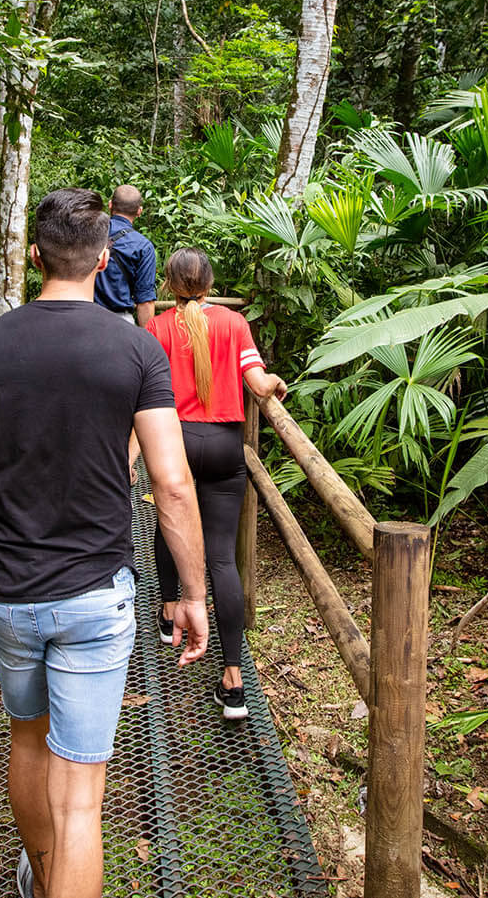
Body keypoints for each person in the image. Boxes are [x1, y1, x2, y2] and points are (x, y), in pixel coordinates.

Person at [0, 187, 210, 898]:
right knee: (82, 794)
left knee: (27, 738)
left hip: (8, 590)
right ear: (104, 257)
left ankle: (47, 874)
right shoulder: (136, 349)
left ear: (35, 256)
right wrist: (192, 593)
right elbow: (171, 483)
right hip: (96, 593)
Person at [144, 247, 287, 720]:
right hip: (225, 444)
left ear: (168, 285)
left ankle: (170, 615)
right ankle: (233, 680)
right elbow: (257, 382)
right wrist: (274, 388)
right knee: (221, 557)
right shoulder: (233, 323)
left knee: (171, 525)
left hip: (176, 443)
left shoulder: (158, 329)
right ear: (209, 282)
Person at [94, 184, 158, 325]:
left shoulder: (89, 233)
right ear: (139, 211)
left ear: (110, 205)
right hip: (120, 322)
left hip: (85, 316)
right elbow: (145, 301)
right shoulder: (143, 246)